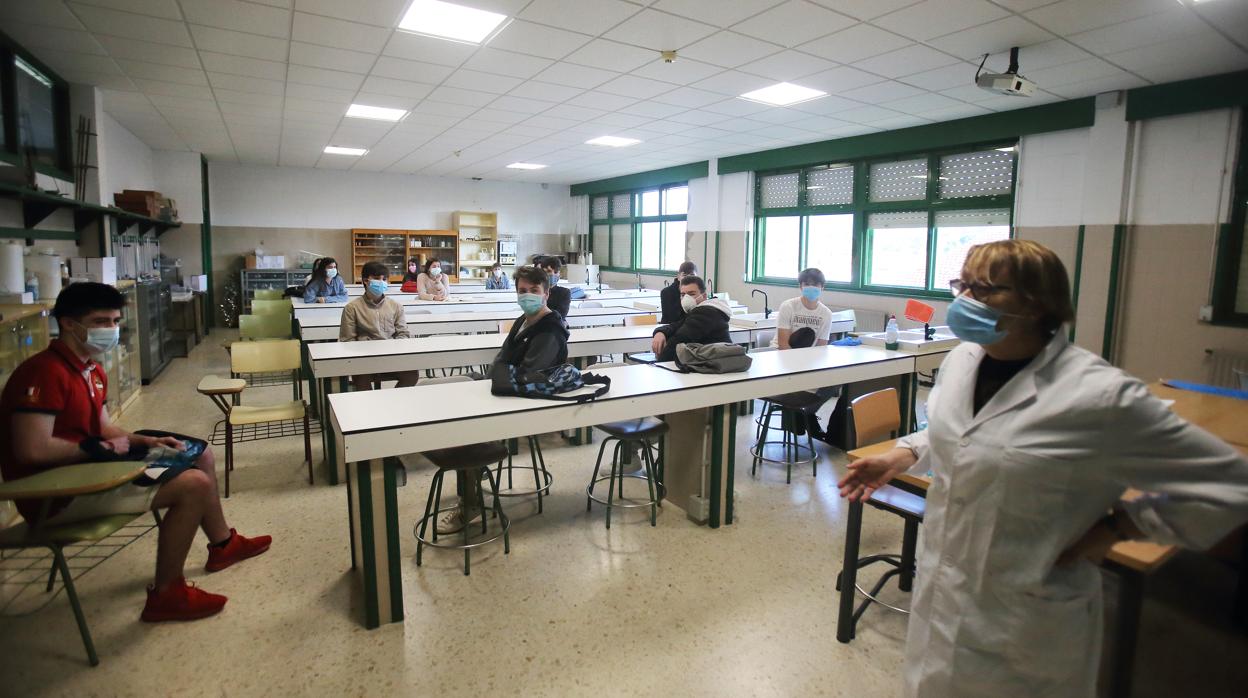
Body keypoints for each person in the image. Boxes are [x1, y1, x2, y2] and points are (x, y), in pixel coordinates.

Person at [837, 239, 1248, 697]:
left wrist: (1123, 525)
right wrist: (903, 454)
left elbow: (1231, 486)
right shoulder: (963, 359)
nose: (965, 300)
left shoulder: (1098, 396)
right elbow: (956, 430)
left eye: (986, 289)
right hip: (942, 598)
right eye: (963, 284)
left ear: (1037, 304)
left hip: (1027, 622)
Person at [0, 283, 271, 622]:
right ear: (68, 323)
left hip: (89, 467)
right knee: (194, 485)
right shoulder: (44, 372)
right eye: (101, 321)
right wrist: (96, 449)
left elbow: (103, 428)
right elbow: (31, 449)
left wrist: (146, 442)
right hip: (56, 493)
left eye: (115, 320)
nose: (111, 330)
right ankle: (167, 593)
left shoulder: (90, 369)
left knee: (198, 454)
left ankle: (222, 545)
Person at [439, 266, 568, 534]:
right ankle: (471, 476)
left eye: (534, 291)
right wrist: (490, 378)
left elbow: (528, 376)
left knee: (466, 428)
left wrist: (496, 377)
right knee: (454, 391)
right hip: (507, 390)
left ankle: (471, 499)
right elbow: (502, 358)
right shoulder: (524, 320)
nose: (527, 296)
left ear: (546, 294)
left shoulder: (549, 330)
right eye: (522, 291)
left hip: (527, 402)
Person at [771, 268, 837, 438]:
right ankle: (806, 418)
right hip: (781, 359)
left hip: (808, 361)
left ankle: (805, 414)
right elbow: (783, 344)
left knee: (835, 380)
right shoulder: (789, 306)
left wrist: (810, 367)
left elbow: (822, 348)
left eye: (815, 285)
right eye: (807, 284)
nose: (811, 288)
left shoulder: (826, 314)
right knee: (800, 385)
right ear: (800, 286)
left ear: (822, 287)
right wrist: (799, 367)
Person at [339, 262, 420, 391]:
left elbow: (403, 334)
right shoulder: (352, 308)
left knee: (411, 374)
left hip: (390, 355)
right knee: (360, 379)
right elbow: (347, 340)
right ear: (366, 281)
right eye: (377, 279)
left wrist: (393, 349)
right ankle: (370, 407)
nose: (382, 282)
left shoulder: (395, 306)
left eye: (384, 279)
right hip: (364, 358)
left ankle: (390, 402)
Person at [650, 274, 731, 363]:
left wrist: (659, 363)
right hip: (710, 362)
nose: (686, 298)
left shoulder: (706, 312)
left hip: (716, 365)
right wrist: (661, 332)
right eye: (683, 294)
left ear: (704, 296)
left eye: (691, 294)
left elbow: (679, 340)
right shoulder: (699, 310)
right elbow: (676, 325)